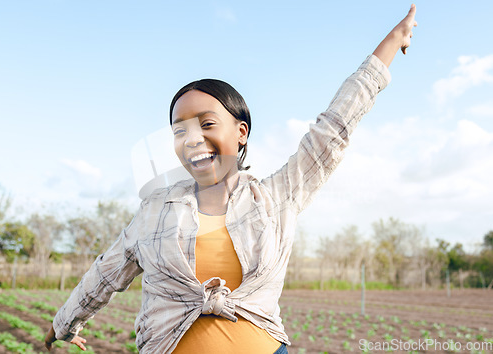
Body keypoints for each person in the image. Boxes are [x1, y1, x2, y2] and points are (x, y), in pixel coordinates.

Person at [45, 4, 417, 353]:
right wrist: (63, 324)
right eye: (180, 130)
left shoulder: (276, 197)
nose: (192, 139)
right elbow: (106, 274)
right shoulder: (155, 210)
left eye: (207, 124)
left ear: (241, 132)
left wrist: (386, 49)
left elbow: (333, 129)